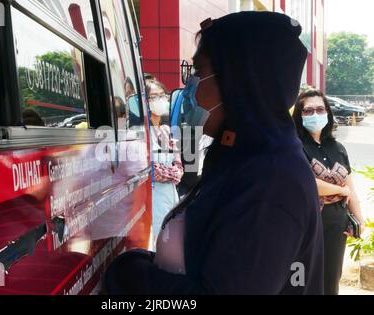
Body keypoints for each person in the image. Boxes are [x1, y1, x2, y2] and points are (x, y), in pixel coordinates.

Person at [104, 12, 324, 295]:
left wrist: (132, 275)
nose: (189, 87)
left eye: (197, 72)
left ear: (239, 81)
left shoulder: (270, 180)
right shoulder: (240, 154)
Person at [293, 89, 365, 295]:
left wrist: (358, 219)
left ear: (327, 113)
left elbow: (351, 187)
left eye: (320, 109)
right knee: (302, 279)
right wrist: (340, 190)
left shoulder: (338, 147)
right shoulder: (295, 146)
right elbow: (308, 183)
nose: (315, 114)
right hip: (306, 224)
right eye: (308, 111)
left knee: (331, 279)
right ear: (299, 115)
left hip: (336, 225)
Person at [146, 79, 184, 246]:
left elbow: (179, 167)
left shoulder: (165, 131)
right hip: (153, 199)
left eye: (163, 95)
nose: (161, 100)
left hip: (170, 196)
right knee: (155, 244)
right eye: (154, 96)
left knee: (169, 240)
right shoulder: (141, 132)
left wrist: (171, 172)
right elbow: (149, 169)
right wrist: (170, 172)